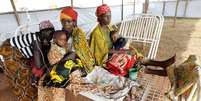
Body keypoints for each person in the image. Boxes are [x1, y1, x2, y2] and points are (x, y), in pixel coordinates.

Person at [0, 20, 55, 100]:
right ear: (41, 31)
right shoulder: (36, 41)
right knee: (23, 75)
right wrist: (50, 64)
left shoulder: (39, 38)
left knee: (28, 72)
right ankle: (26, 97)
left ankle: (29, 93)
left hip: (13, 50)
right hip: (9, 52)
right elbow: (39, 65)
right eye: (48, 32)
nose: (51, 34)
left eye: (52, 31)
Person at [59, 7, 95, 73]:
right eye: (63, 21)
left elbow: (75, 53)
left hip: (81, 61)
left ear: (74, 22)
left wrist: (59, 63)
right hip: (67, 59)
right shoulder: (62, 34)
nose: (65, 24)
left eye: (68, 21)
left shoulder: (78, 34)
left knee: (67, 72)